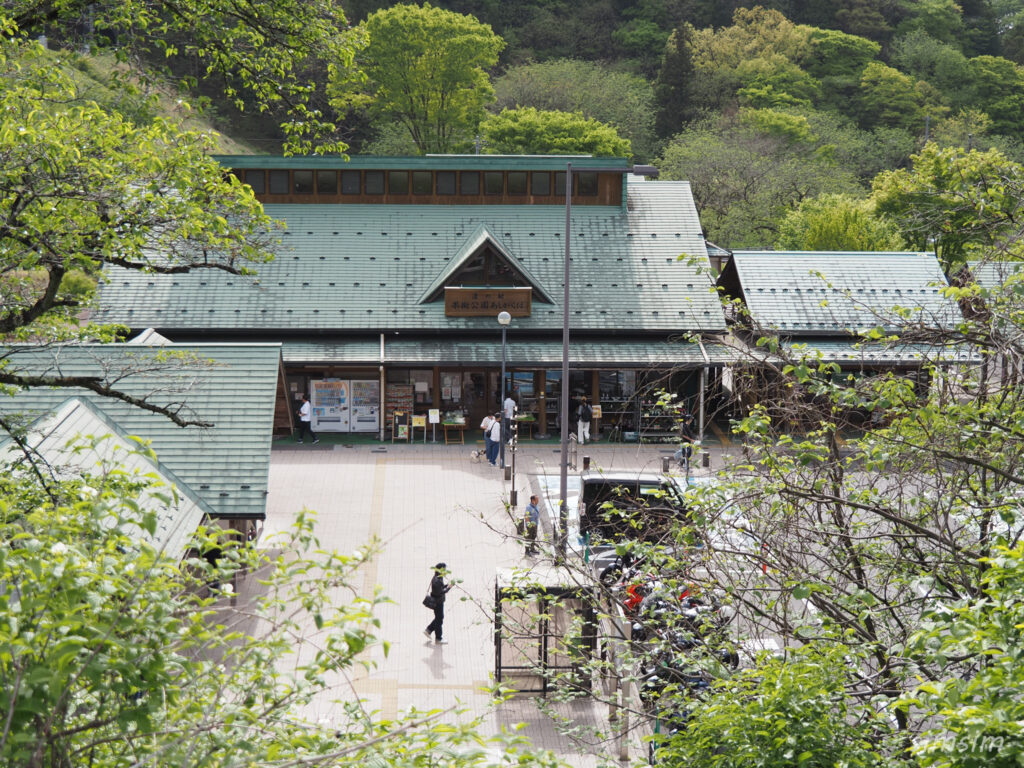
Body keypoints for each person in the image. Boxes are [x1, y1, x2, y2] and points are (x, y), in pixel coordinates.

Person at [423, 562, 453, 644]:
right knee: (439, 620)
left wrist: (447, 585)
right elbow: (439, 592)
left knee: (439, 617)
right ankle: (438, 638)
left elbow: (441, 588)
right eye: (444, 569)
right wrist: (449, 588)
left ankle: (428, 630)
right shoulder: (437, 580)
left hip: (439, 601)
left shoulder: (438, 577)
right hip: (438, 602)